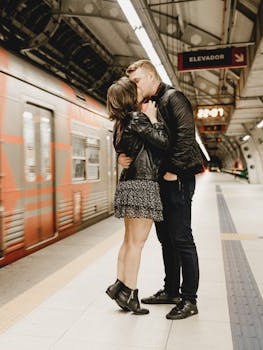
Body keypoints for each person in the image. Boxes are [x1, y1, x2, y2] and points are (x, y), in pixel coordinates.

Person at [122, 59, 204, 320]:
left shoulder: (173, 98)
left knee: (182, 239)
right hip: (162, 181)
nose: (133, 87)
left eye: (136, 82)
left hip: (177, 180)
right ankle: (171, 290)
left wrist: (173, 171)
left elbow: (185, 137)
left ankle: (189, 299)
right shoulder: (153, 104)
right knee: (166, 239)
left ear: (149, 76)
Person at [104, 77, 169, 315]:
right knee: (137, 244)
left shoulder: (119, 124)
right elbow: (163, 143)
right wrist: (153, 120)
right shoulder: (137, 118)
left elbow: (124, 152)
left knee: (128, 241)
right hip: (143, 185)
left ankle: (120, 285)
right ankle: (130, 293)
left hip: (128, 184)